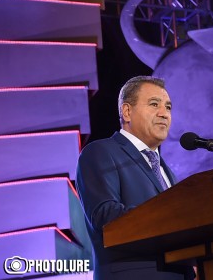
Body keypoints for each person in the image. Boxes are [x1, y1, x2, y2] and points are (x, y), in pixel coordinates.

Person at [76, 75, 194, 280]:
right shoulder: (101, 152)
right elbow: (106, 216)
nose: (164, 114)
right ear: (127, 111)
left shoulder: (168, 172)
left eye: (168, 107)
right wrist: (174, 221)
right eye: (154, 104)